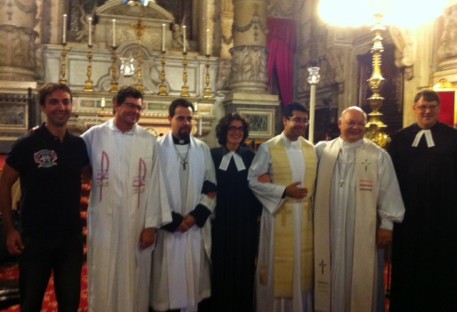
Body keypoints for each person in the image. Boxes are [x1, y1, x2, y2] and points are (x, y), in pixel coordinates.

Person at [0, 83, 89, 311]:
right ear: (43, 107)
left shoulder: (78, 145)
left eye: (66, 101)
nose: (61, 107)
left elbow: (92, 177)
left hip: (70, 238)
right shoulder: (28, 144)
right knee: (31, 302)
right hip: (34, 237)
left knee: (69, 303)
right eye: (54, 102)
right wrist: (11, 229)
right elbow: (5, 182)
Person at [81, 86, 171, 312]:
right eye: (130, 105)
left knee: (135, 274)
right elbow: (70, 156)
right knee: (103, 271)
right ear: (116, 105)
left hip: (136, 222)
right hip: (104, 221)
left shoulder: (147, 140)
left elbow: (155, 184)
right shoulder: (95, 135)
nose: (135, 111)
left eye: (139, 107)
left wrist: (151, 225)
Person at [313, 106, 405, 312]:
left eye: (360, 124)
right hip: (329, 225)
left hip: (363, 229)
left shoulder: (377, 155)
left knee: (362, 280)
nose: (355, 127)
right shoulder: (322, 151)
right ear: (340, 124)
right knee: (328, 271)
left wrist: (387, 225)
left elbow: (388, 189)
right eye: (350, 123)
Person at [388, 90, 457, 312]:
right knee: (408, 261)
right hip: (409, 214)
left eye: (432, 107)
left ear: (439, 109)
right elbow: (390, 178)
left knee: (442, 260)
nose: (427, 111)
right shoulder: (400, 139)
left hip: (444, 213)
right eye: (423, 107)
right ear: (414, 109)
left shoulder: (453, 137)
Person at [247, 103, 316, 312]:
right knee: (279, 270)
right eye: (297, 119)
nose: (301, 124)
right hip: (279, 216)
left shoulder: (311, 148)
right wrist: (284, 191)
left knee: (301, 270)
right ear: (284, 120)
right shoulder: (269, 147)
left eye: (304, 120)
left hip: (305, 219)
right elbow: (252, 180)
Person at [151, 99, 217, 312]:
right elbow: (153, 188)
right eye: (181, 118)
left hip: (193, 228)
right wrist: (172, 220)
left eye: (189, 118)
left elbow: (211, 187)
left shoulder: (202, 149)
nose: (186, 123)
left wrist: (194, 217)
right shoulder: (156, 148)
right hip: (168, 227)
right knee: (165, 287)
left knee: (192, 286)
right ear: (170, 119)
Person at [209, 113, 262, 312]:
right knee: (220, 266)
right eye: (232, 128)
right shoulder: (213, 155)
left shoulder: (251, 156)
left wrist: (256, 216)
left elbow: (257, 188)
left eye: (240, 129)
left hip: (245, 222)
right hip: (220, 222)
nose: (236, 132)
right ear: (224, 131)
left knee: (244, 267)